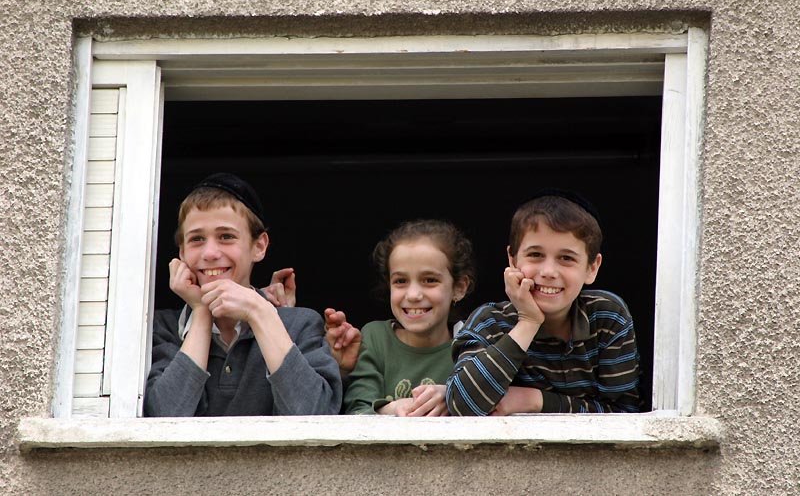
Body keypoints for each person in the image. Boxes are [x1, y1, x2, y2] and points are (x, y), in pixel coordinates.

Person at [144, 172, 342, 417]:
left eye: (226, 236)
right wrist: (201, 311)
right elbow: (163, 419)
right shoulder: (163, 328)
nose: (210, 252)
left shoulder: (300, 324)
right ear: (182, 253)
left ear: (259, 247)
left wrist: (259, 311)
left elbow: (316, 415)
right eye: (196, 239)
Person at [446, 190, 642, 415]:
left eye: (566, 258)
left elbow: (625, 415)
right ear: (512, 259)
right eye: (535, 255)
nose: (549, 272)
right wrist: (528, 322)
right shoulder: (489, 322)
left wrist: (535, 400)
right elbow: (462, 407)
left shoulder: (607, 318)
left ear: (592, 268)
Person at [330, 219, 476, 416]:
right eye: (400, 281)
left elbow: (492, 403)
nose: (413, 294)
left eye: (430, 280)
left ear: (459, 287)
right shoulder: (376, 338)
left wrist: (451, 396)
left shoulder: (474, 343)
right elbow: (358, 411)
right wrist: (394, 408)